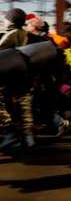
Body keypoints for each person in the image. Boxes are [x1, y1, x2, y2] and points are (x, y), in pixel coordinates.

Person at [0, 8, 35, 149]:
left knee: (2, 106)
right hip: (23, 76)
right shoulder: (26, 34)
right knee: (24, 106)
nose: (4, 21)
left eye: (6, 18)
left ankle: (10, 134)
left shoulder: (11, 35)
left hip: (8, 76)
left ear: (11, 21)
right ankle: (28, 138)